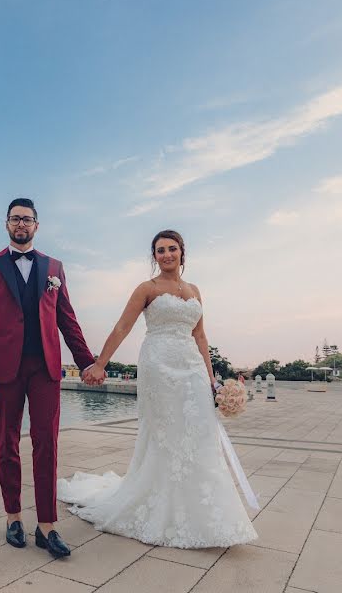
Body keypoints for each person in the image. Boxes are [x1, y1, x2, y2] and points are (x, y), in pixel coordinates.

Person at [59, 229, 258, 548]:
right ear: (154, 256)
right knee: (164, 433)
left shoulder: (195, 290)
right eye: (160, 250)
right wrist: (100, 363)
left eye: (171, 249)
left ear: (182, 252)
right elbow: (123, 327)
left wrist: (211, 380)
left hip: (192, 366)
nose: (166, 254)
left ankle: (206, 510)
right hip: (157, 366)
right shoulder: (146, 288)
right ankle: (161, 504)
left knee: (200, 431)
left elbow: (201, 337)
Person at [0, 198, 99, 559]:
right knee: (6, 443)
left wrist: (86, 363)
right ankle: (13, 518)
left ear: (37, 225)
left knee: (47, 443)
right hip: (4, 368)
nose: (21, 224)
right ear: (6, 224)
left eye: (27, 219)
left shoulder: (54, 267)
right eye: (15, 219)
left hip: (46, 368)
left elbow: (67, 319)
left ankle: (47, 526)